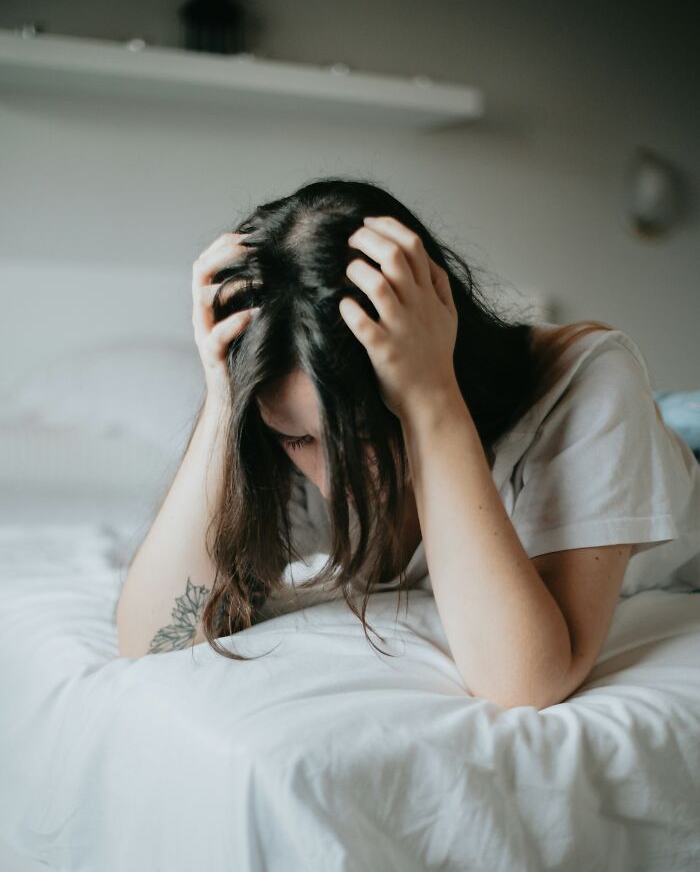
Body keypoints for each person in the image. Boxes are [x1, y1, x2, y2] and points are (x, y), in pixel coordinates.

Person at [115, 177, 700, 711]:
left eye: (366, 435)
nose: (337, 480)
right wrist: (223, 401)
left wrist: (430, 397)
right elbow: (153, 638)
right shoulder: (275, 426)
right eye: (297, 439)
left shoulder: (589, 382)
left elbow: (525, 681)